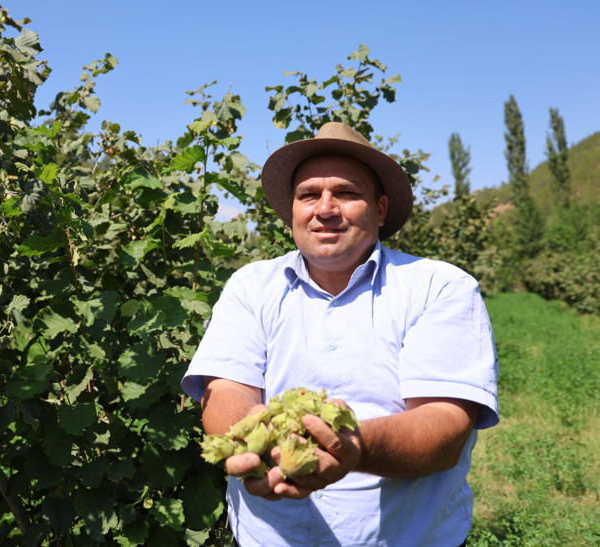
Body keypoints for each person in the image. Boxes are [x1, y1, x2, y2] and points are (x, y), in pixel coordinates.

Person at [181, 122, 499, 546]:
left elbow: (444, 425)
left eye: (346, 193)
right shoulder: (251, 286)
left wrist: (353, 446)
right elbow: (226, 389)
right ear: (292, 210)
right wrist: (254, 447)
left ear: (380, 210)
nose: (325, 208)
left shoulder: (439, 288)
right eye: (309, 195)